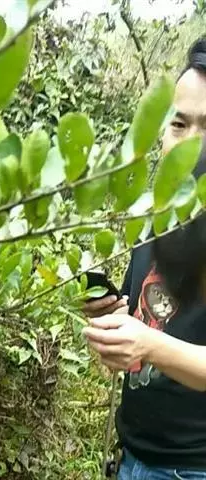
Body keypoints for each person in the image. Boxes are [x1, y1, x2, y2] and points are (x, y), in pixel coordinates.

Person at [83, 37, 206, 479]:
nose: (190, 143)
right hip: (132, 458)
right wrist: (115, 318)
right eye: (179, 124)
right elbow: (149, 314)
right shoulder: (155, 215)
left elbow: (152, 341)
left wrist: (149, 345)